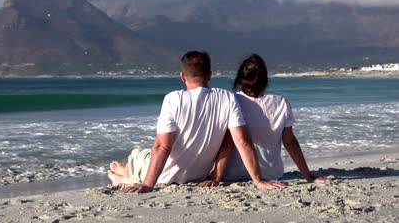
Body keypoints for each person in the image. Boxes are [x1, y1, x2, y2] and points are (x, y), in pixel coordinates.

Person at [108, 51, 285, 193]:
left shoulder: (173, 99)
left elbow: (163, 147)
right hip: (199, 176)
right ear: (209, 75)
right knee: (145, 156)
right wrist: (258, 180)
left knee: (138, 154)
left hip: (165, 176)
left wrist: (148, 185)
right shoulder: (227, 98)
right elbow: (241, 141)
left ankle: (124, 175)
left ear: (182, 76)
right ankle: (122, 176)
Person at [211, 54, 328, 183]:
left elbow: (227, 144)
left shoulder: (231, 101)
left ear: (240, 79)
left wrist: (216, 177)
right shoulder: (281, 102)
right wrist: (309, 176)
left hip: (233, 174)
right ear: (265, 79)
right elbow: (290, 142)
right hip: (272, 173)